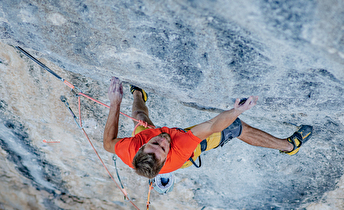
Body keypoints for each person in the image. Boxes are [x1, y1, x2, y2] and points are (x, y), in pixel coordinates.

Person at [103, 77, 313, 179]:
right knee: (236, 127)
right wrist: (235, 112)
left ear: (140, 148)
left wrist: (115, 103)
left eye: (155, 142)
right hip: (187, 151)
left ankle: (138, 94)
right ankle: (288, 146)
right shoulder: (179, 148)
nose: (163, 140)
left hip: (149, 147)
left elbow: (107, 144)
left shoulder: (128, 149)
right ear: (166, 156)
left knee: (140, 118)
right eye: (163, 148)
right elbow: (212, 125)